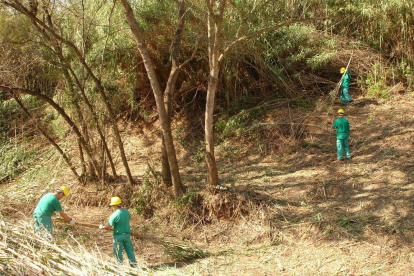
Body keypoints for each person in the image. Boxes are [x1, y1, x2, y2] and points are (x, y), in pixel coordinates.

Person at [99, 197, 137, 267]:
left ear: (115, 205)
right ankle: (134, 266)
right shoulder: (126, 212)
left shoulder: (114, 215)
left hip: (118, 236)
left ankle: (120, 267)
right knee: (129, 251)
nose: (112, 206)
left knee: (118, 252)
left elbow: (109, 227)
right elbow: (128, 219)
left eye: (112, 205)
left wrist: (102, 227)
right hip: (126, 235)